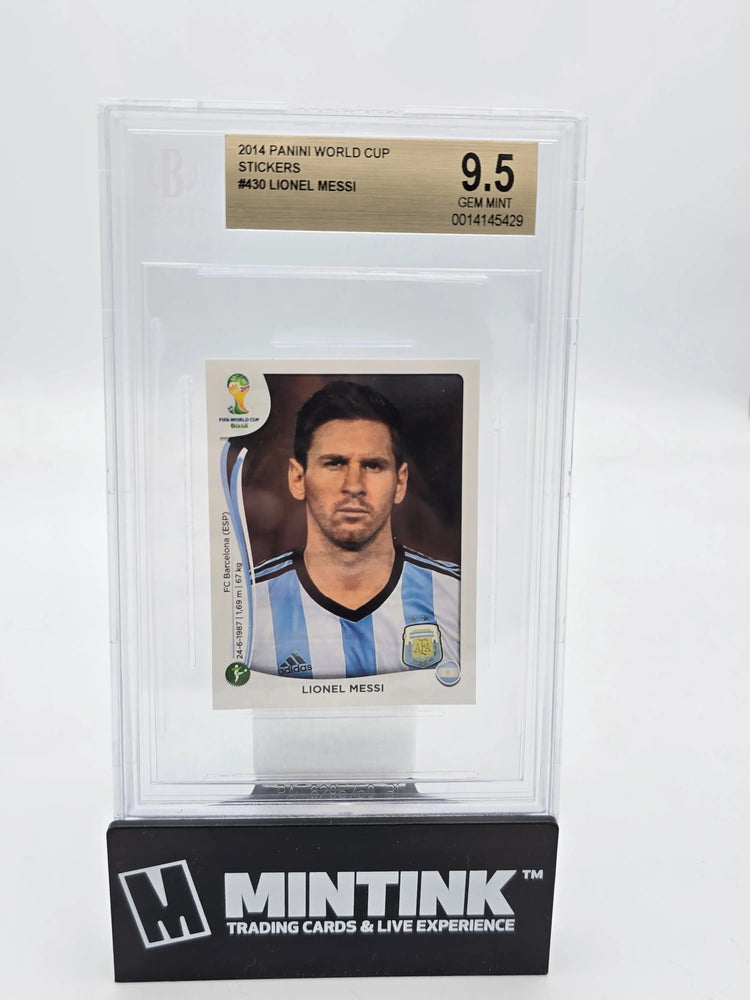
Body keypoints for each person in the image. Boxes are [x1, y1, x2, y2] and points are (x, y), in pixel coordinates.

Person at [246, 381, 460, 679]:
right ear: (297, 479)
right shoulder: (246, 606)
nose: (354, 486)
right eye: (335, 463)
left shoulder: (456, 595)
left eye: (373, 465)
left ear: (400, 483)